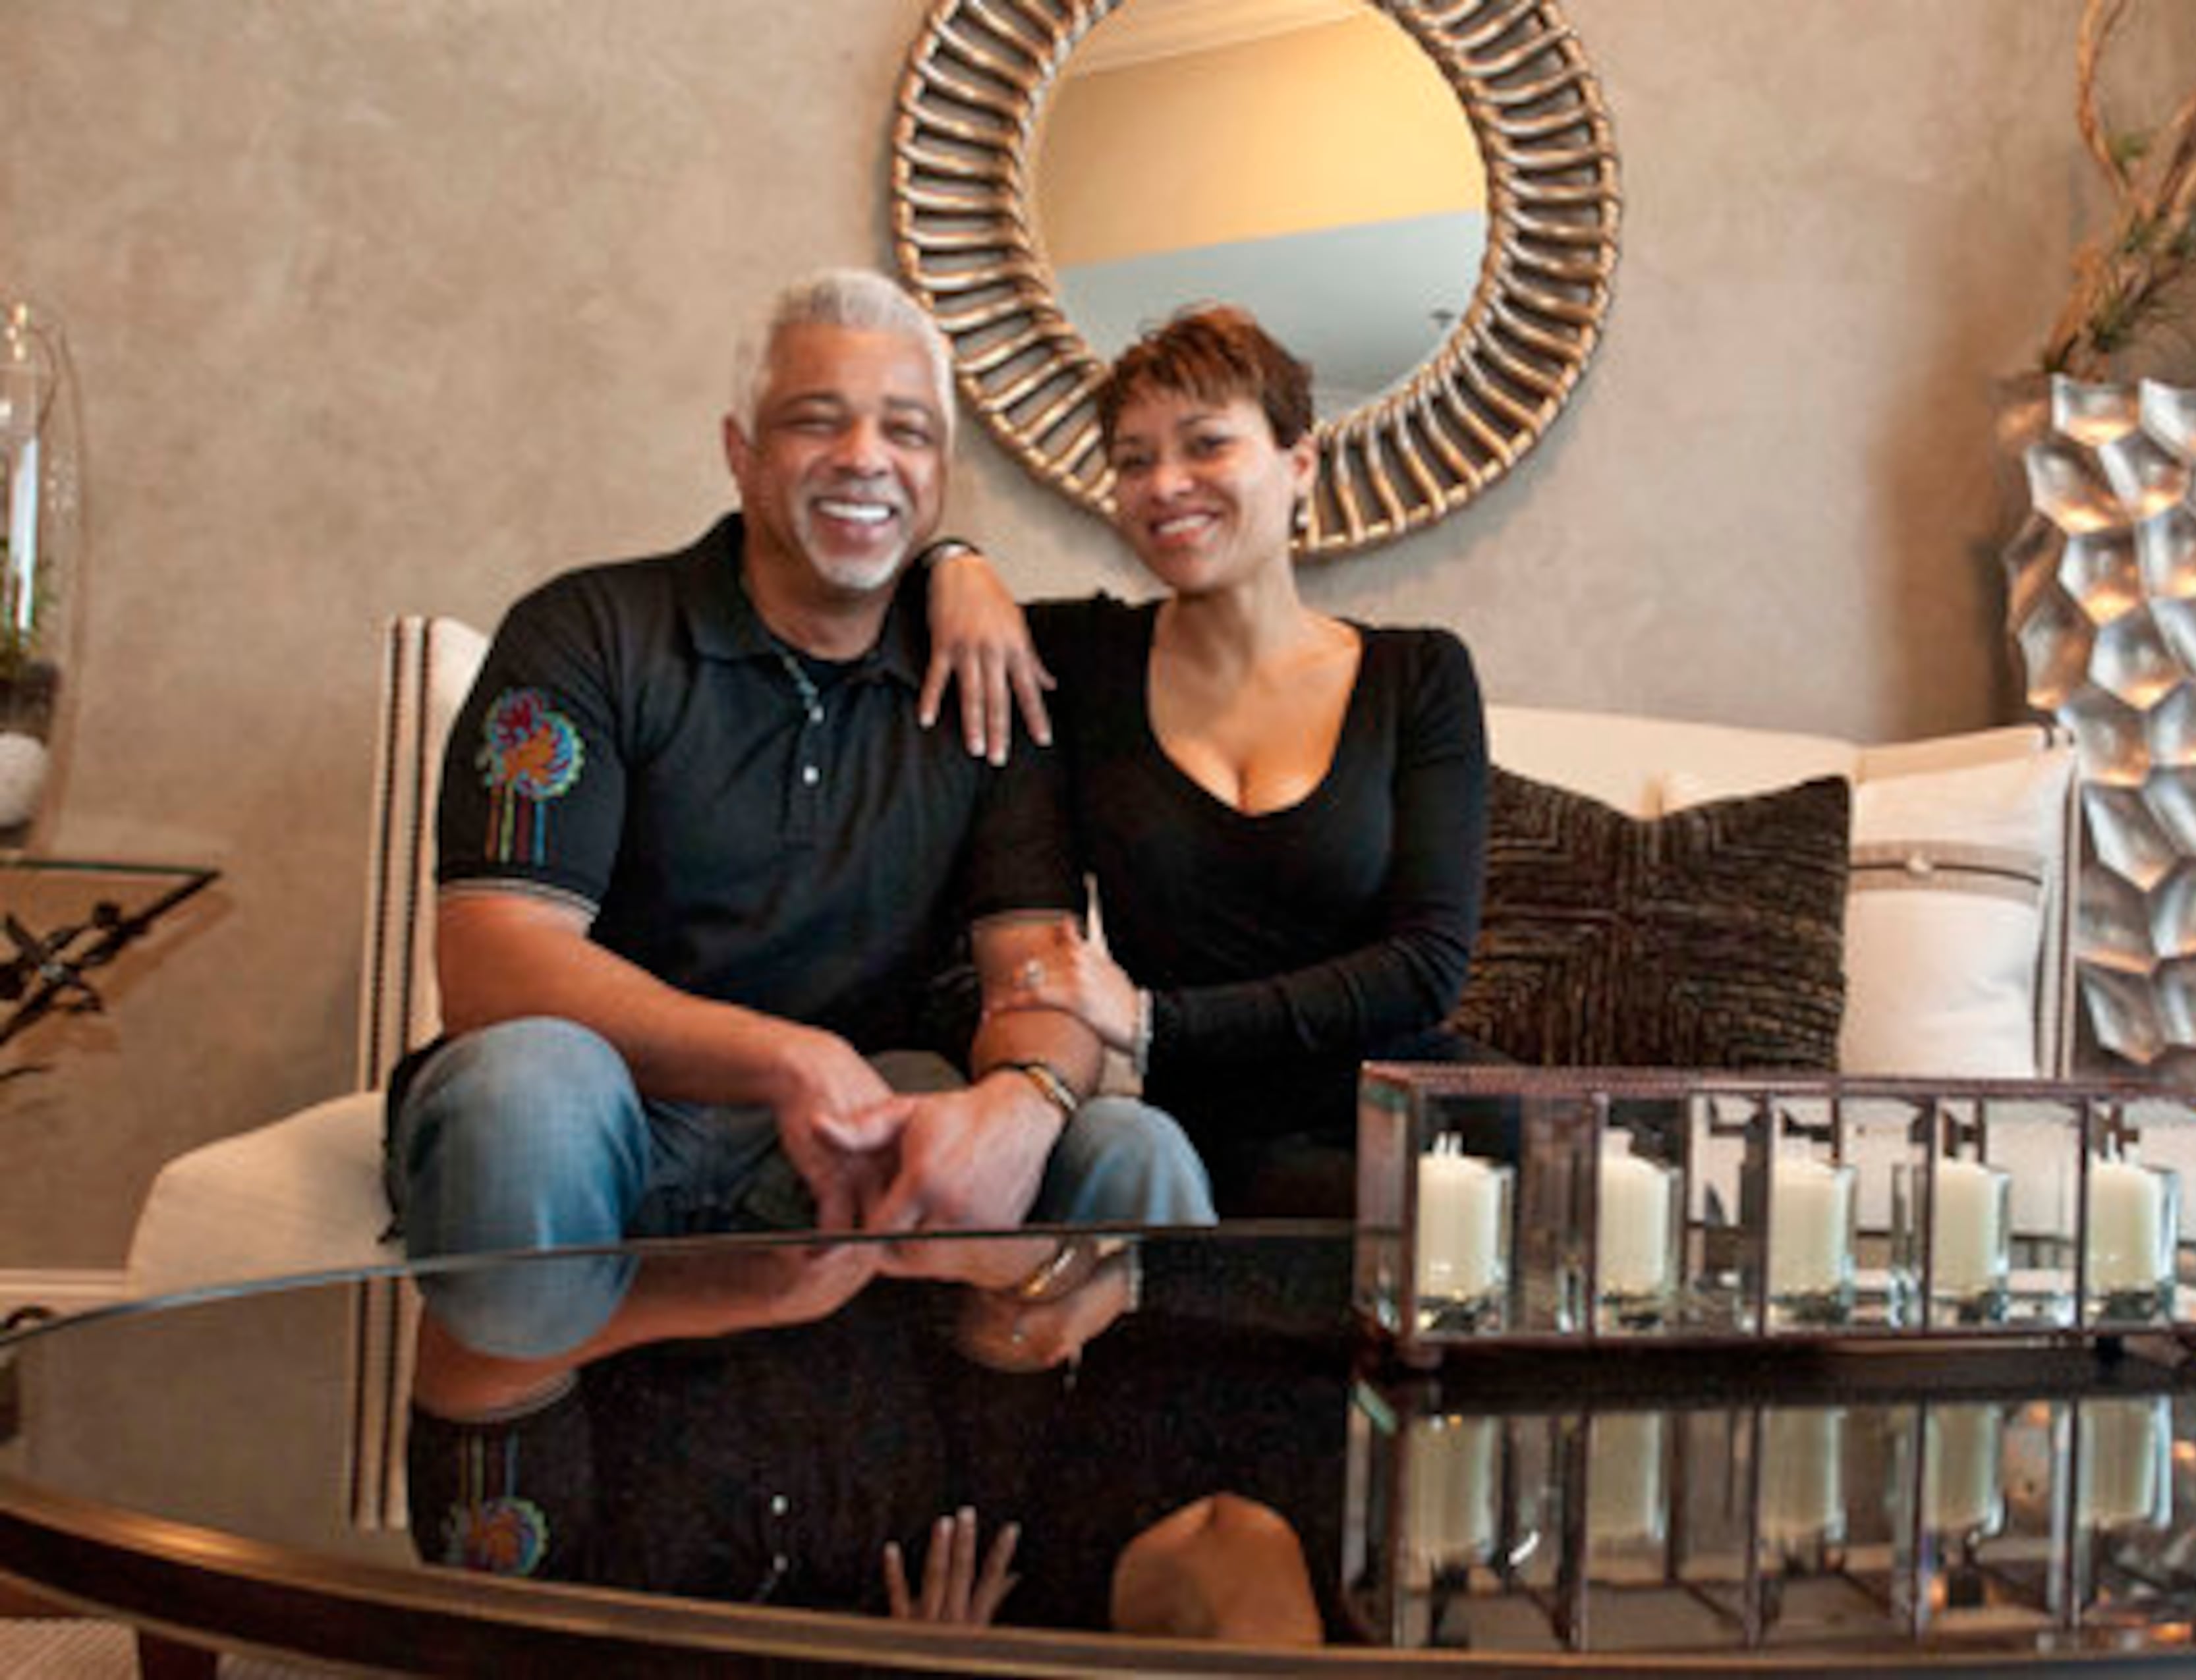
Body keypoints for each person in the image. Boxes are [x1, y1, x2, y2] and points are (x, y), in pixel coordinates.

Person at [383, 267, 1214, 1426]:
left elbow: (1036, 969)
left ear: (939, 475)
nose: (866, 457)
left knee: (1131, 1145)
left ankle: (1038, 1500)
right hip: (615, 1123)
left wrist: (1022, 1097)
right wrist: (786, 1058)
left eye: (906, 431)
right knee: (529, 1087)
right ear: (741, 452)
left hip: (867, 1136)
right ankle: (527, 1499)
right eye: (818, 420)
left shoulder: (986, 678)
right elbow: (491, 961)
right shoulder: (589, 633)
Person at [992, 306, 1490, 1216]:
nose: (1164, 483)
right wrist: (954, 564)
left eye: (1206, 444)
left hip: (1413, 1113)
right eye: (1134, 460)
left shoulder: (1419, 673)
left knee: (1584, 1180)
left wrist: (1153, 1022)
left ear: (1299, 464)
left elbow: (1427, 966)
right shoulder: (1077, 659)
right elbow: (896, 609)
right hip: (1212, 1140)